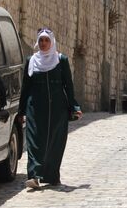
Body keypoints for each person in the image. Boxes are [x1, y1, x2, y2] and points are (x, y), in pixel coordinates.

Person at [18, 28, 82, 189]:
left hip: (57, 108)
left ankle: (52, 175)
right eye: (41, 41)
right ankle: (34, 176)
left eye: (46, 40)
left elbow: (68, 85)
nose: (43, 43)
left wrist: (74, 106)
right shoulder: (31, 61)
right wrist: (21, 111)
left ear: (52, 42)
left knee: (55, 141)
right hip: (35, 107)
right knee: (34, 141)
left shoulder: (61, 60)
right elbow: (25, 87)